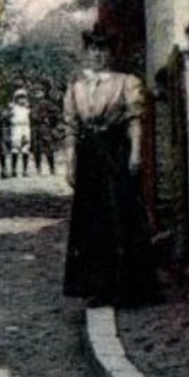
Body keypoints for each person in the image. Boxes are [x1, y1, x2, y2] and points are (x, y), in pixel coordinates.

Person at [62, 24, 157, 308]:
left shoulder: (125, 83)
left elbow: (134, 120)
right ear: (86, 52)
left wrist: (136, 153)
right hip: (89, 158)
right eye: (93, 49)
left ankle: (127, 288)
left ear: (110, 53)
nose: (98, 55)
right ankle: (98, 286)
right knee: (92, 222)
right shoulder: (76, 88)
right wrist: (70, 163)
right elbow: (70, 128)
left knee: (120, 216)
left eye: (102, 49)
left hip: (115, 153)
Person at [8, 87, 32, 176]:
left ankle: (25, 170)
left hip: (26, 127)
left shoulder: (27, 108)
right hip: (16, 128)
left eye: (23, 97)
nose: (22, 100)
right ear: (15, 99)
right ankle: (13, 170)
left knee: (26, 148)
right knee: (15, 148)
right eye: (19, 98)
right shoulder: (13, 108)